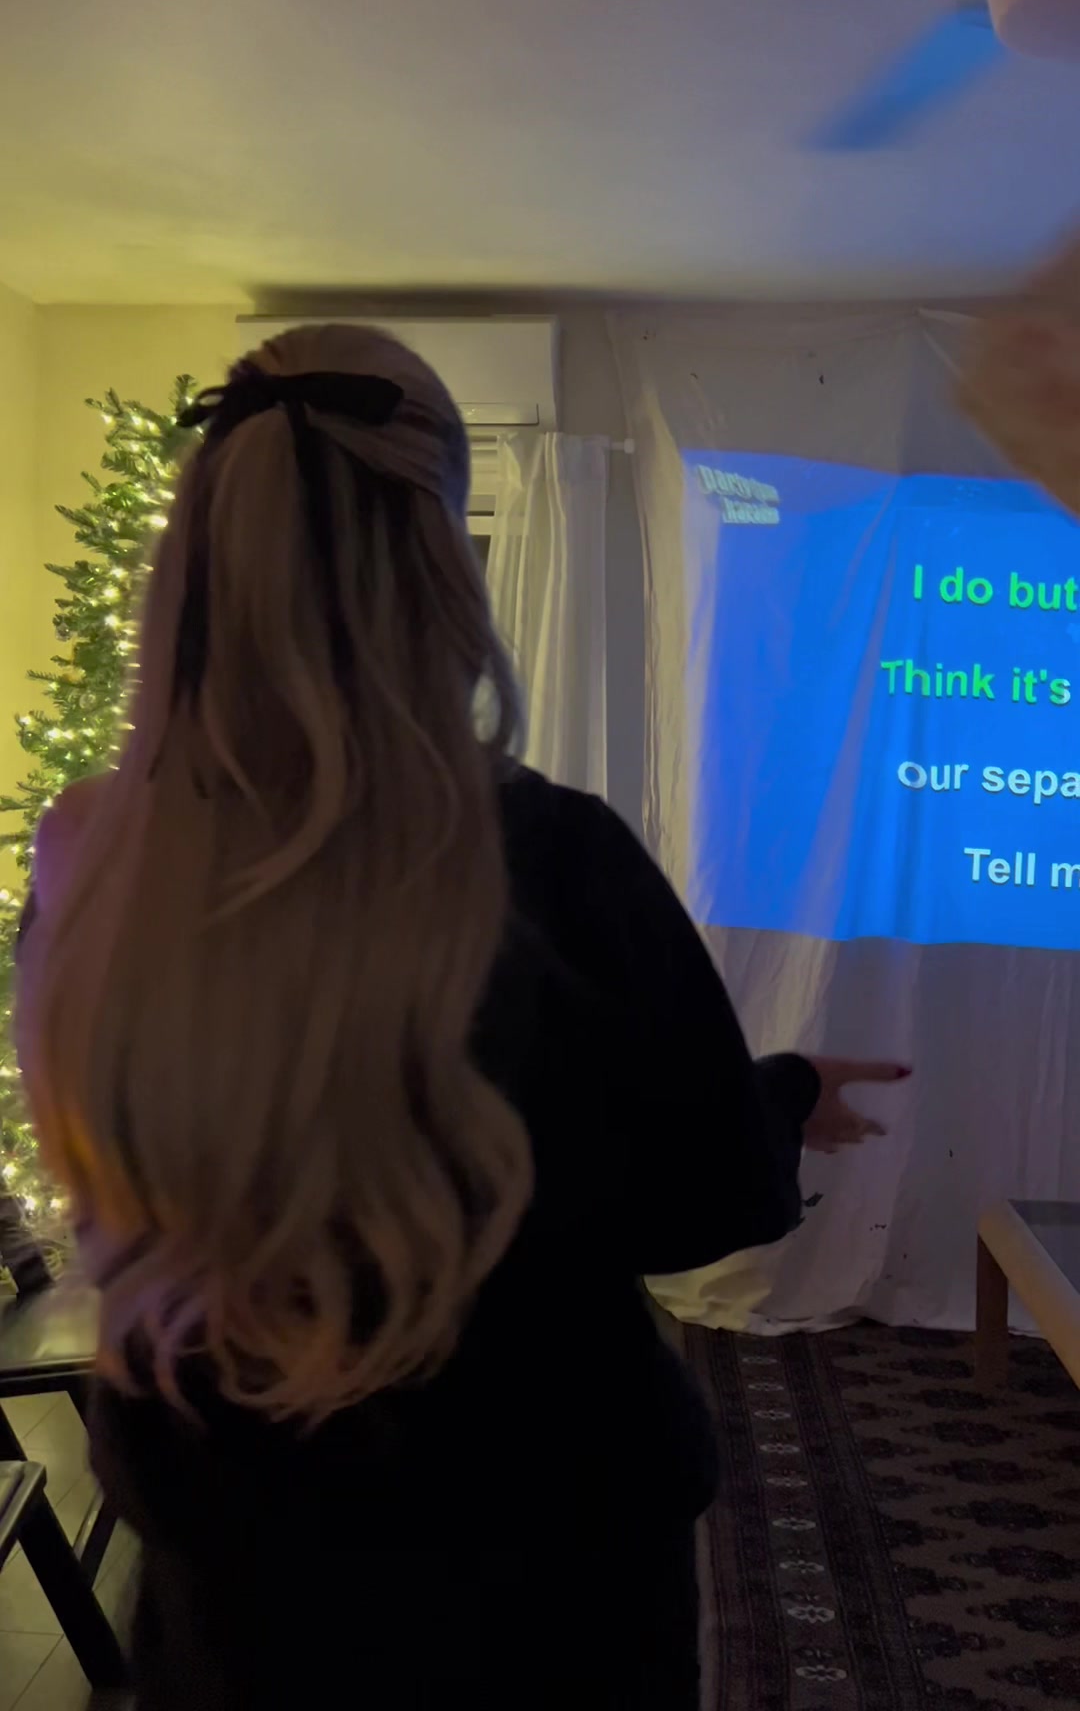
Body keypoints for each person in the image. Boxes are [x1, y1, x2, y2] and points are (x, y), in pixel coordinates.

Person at [16, 325, 905, 1710]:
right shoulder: (556, 857)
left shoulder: (88, 852)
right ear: (442, 564)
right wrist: (779, 1098)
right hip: (536, 1572)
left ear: (199, 555)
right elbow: (694, 1193)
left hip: (231, 1554)